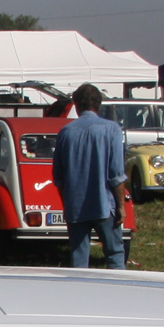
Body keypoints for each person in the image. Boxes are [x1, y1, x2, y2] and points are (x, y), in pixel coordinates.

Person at [51, 83, 128, 269]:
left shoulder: (66, 132)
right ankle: (118, 292)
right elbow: (116, 173)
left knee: (78, 256)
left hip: (76, 205)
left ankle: (79, 293)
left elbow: (58, 175)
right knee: (114, 253)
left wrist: (67, 202)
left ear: (76, 105)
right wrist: (121, 206)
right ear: (98, 104)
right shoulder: (112, 129)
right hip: (104, 203)